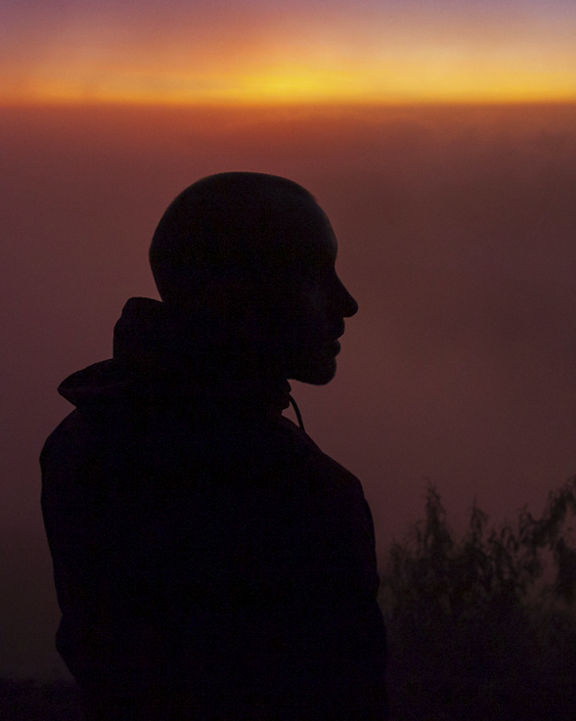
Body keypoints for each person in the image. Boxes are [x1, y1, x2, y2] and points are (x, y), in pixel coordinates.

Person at [41, 172, 387, 720]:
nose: (347, 304)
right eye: (316, 277)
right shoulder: (308, 498)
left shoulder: (78, 447)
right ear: (243, 298)